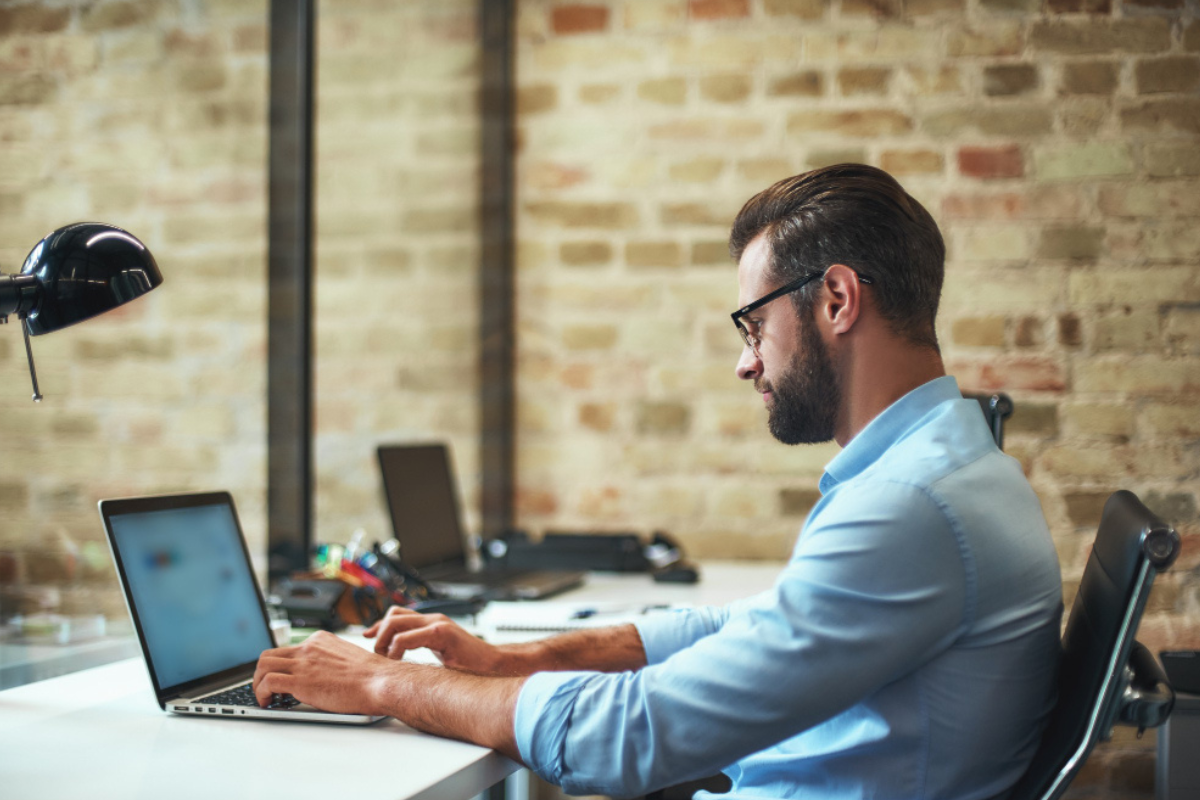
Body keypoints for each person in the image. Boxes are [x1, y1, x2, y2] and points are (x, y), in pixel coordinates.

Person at [254, 164, 1063, 800]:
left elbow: (630, 740)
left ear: (838, 300)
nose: (746, 361)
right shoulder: (948, 467)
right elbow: (746, 627)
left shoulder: (909, 507)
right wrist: (511, 660)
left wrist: (379, 683)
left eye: (753, 325)